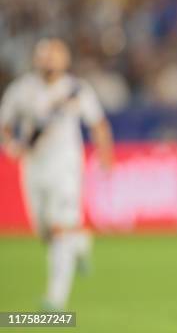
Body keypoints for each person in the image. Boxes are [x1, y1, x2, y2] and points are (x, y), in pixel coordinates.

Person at [0, 38, 114, 310]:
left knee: (59, 227)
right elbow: (5, 124)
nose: (50, 59)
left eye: (55, 55)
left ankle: (55, 299)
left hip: (65, 167)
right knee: (44, 231)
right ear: (36, 59)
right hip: (34, 167)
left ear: (65, 60)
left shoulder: (76, 90)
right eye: (45, 55)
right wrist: (11, 144)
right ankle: (80, 241)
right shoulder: (21, 90)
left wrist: (105, 156)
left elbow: (98, 124)